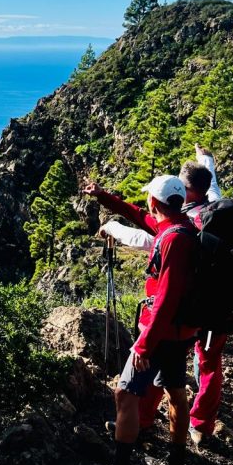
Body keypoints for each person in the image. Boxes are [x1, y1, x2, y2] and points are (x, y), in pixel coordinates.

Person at [80, 175, 200, 465]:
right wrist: (103, 196)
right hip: (181, 331)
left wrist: (144, 346)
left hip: (160, 333)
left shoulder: (173, 240)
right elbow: (135, 214)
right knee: (175, 391)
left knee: (126, 393)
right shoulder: (180, 227)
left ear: (155, 201)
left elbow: (166, 299)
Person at [97, 145, 223, 445]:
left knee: (151, 382)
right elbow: (213, 182)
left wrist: (112, 227)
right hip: (213, 305)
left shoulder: (178, 230)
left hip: (173, 321)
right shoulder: (214, 209)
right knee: (206, 368)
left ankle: (139, 426)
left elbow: (142, 238)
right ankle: (201, 427)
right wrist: (206, 159)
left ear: (185, 192)